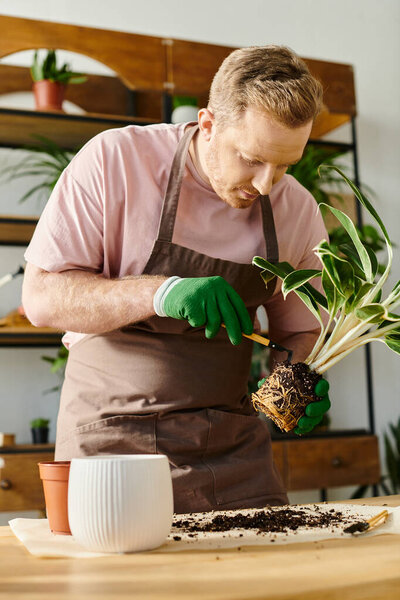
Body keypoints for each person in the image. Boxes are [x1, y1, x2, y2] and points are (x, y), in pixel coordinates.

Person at [22, 45, 331, 513]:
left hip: (234, 451)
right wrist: (160, 292)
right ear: (207, 125)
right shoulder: (117, 161)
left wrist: (297, 378)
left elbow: (301, 329)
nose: (268, 184)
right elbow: (42, 296)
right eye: (251, 159)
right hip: (111, 440)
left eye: (285, 165)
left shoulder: (296, 208)